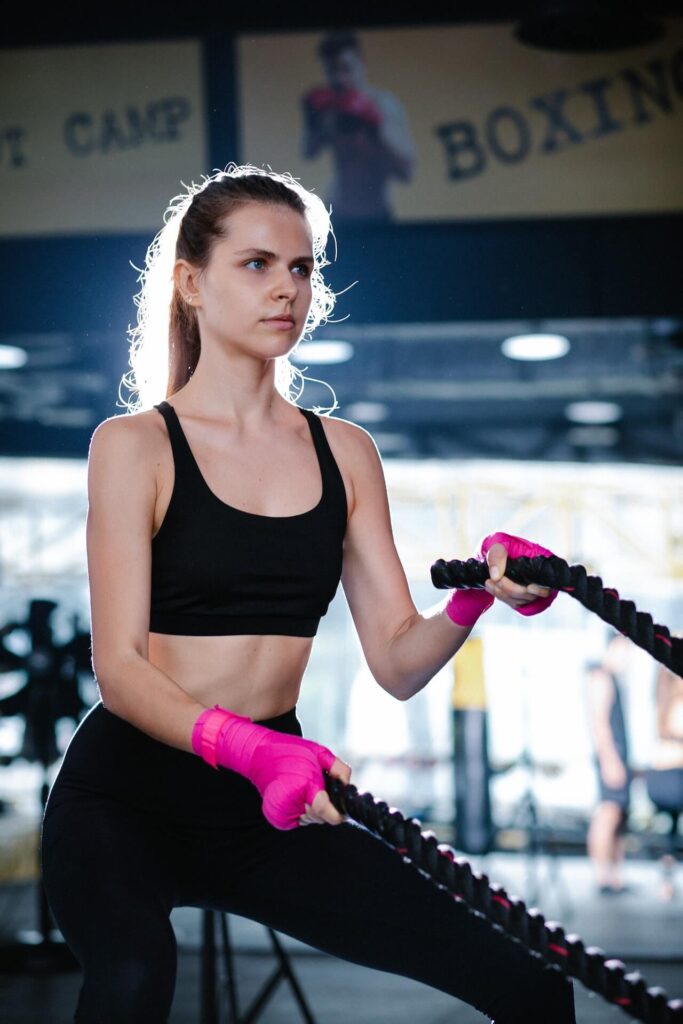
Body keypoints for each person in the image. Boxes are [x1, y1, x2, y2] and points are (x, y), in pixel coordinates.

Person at [40, 163, 576, 1024]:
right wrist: (249, 749)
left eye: (300, 268)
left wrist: (474, 600)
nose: (285, 288)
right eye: (256, 264)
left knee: (530, 985)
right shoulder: (135, 444)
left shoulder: (344, 452)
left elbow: (397, 660)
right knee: (135, 978)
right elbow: (120, 669)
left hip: (264, 804)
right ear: (190, 283)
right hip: (125, 798)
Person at [301, 31, 416, 222]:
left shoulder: (383, 105)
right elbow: (309, 153)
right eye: (332, 71)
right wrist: (315, 122)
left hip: (377, 214)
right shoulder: (329, 107)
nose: (339, 78)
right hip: (337, 211)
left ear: (360, 63)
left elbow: (406, 172)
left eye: (346, 68)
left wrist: (376, 127)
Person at [585, 632, 633, 894]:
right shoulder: (600, 677)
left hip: (619, 754)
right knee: (607, 813)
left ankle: (615, 876)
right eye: (624, 649)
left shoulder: (613, 678)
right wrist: (610, 760)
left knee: (618, 815)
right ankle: (602, 875)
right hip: (610, 756)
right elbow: (600, 724)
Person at [645, 661, 683, 901]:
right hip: (674, 775)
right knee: (672, 830)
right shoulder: (677, 704)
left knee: (670, 832)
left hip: (660, 775)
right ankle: (667, 882)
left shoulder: (662, 701)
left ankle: (667, 882)